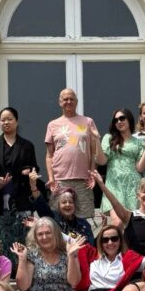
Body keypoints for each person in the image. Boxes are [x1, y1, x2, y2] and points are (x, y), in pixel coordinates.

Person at [0, 107, 39, 269]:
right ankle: (0, 272)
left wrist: (28, 171)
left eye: (10, 119)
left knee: (22, 238)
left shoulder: (27, 145)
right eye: (3, 119)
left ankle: (21, 272)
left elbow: (34, 168)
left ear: (17, 121)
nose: (6, 122)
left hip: (21, 201)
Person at [44, 88, 99, 219]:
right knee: (58, 220)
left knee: (85, 219)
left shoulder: (88, 122)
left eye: (71, 99)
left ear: (77, 101)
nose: (68, 101)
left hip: (83, 180)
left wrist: (92, 173)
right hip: (60, 180)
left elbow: (93, 152)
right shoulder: (53, 125)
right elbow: (49, 156)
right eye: (65, 99)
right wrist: (51, 179)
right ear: (59, 102)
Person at [26, 170, 95, 247]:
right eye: (64, 202)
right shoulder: (53, 218)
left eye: (71, 202)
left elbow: (91, 247)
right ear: (58, 205)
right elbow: (41, 204)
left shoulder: (84, 224)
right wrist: (33, 187)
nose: (67, 205)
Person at [98, 108, 145, 213]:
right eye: (116, 120)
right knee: (117, 221)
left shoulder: (139, 142)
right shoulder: (109, 138)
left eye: (122, 118)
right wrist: (95, 140)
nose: (119, 122)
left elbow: (140, 168)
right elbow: (102, 161)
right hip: (114, 184)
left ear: (129, 119)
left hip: (133, 186)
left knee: (131, 223)